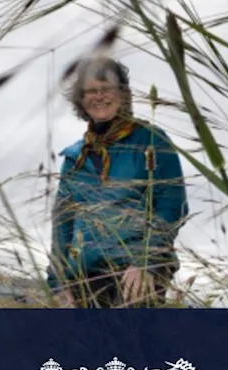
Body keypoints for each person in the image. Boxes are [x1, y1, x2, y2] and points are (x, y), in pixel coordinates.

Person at [45, 56, 190, 308]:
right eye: (91, 91)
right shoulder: (74, 158)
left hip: (138, 269)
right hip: (85, 273)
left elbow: (172, 206)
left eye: (106, 89)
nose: (99, 96)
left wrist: (144, 260)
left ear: (123, 94)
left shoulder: (152, 141)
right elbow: (63, 228)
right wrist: (58, 284)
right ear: (80, 99)